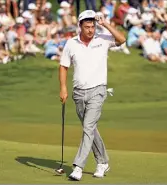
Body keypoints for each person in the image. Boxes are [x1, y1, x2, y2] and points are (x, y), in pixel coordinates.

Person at [58, 10, 126, 181]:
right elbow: (63, 66)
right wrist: (63, 88)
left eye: (93, 26)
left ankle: (78, 167)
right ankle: (103, 162)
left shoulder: (103, 39)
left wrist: (105, 24)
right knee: (90, 128)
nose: (90, 30)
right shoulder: (71, 44)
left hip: (98, 90)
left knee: (88, 127)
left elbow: (122, 40)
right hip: (78, 92)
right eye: (87, 27)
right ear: (80, 27)